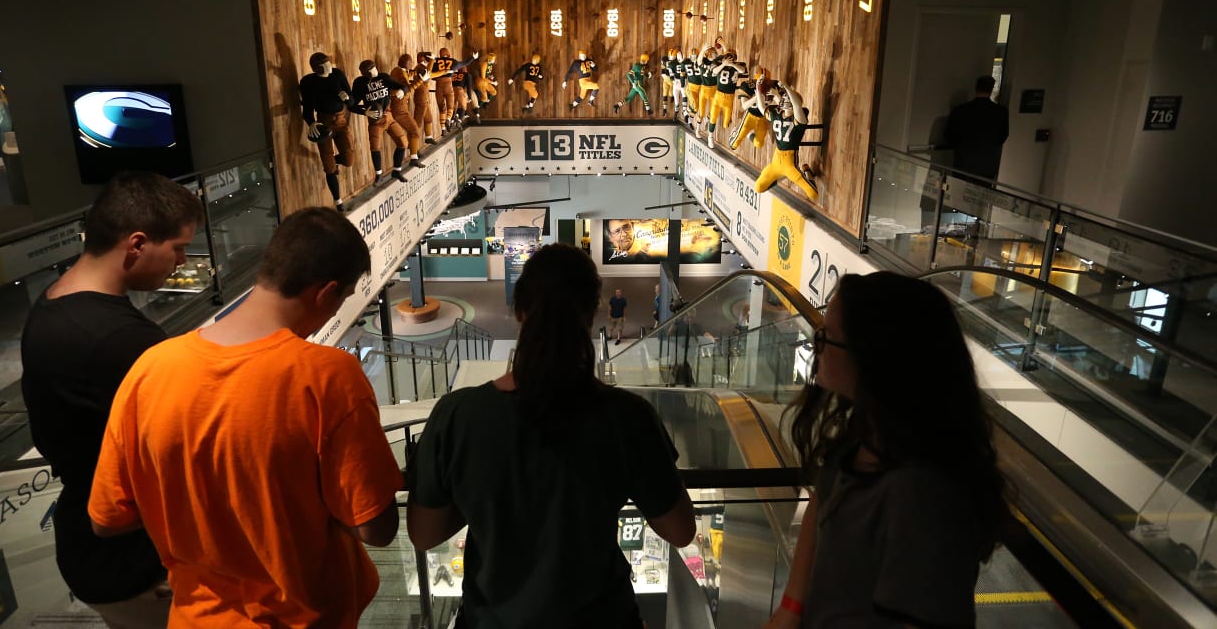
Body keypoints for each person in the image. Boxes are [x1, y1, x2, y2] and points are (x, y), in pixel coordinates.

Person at [88, 208, 404, 627]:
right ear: (327, 294)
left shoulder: (150, 369)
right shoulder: (326, 376)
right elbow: (375, 528)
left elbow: (106, 521)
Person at [407, 244, 695, 628]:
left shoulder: (457, 415)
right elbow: (680, 530)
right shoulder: (628, 417)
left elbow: (423, 534)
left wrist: (483, 495)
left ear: (519, 311)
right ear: (592, 314)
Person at [764, 271, 1009, 629]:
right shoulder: (861, 444)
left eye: (828, 338)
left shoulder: (921, 496)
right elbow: (824, 509)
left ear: (873, 358)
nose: (816, 347)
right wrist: (790, 608)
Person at [21, 171, 204, 627]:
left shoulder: (54, 302)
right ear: (137, 243)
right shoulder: (119, 340)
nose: (182, 261)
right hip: (133, 559)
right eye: (178, 248)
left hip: (93, 543)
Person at [299, 52, 356, 210]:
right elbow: (307, 109)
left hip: (341, 120)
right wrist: (311, 123)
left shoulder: (337, 75)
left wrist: (347, 99)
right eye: (326, 65)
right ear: (317, 68)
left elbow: (352, 101)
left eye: (329, 63)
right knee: (329, 168)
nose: (330, 66)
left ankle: (335, 161)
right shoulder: (308, 82)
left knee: (349, 159)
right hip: (323, 122)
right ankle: (338, 202)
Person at [945, 75, 1009, 186]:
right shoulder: (1000, 112)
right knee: (980, 198)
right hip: (987, 165)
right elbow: (1003, 136)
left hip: (963, 162)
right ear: (991, 89)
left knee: (957, 196)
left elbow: (949, 135)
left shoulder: (960, 110)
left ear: (976, 88)